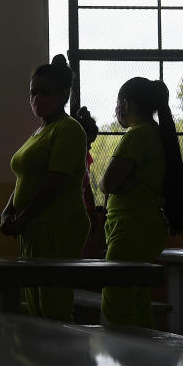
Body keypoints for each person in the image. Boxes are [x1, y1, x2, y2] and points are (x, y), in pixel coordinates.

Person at [1, 54, 89, 321]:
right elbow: (24, 179)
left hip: (57, 226)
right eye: (33, 92)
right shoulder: (39, 132)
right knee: (35, 304)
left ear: (64, 94)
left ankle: (62, 361)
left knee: (54, 304)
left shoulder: (69, 130)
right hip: (33, 228)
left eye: (45, 92)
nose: (36, 98)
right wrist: (8, 212)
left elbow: (56, 181)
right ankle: (37, 362)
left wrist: (22, 217)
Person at [100, 78, 183, 327]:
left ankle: (130, 361)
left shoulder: (137, 135)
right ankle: (143, 364)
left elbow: (107, 183)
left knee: (115, 302)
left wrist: (117, 183)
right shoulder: (156, 133)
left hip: (131, 227)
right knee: (136, 301)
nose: (117, 111)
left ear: (125, 104)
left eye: (118, 105)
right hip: (143, 226)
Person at [74, 106, 105, 258]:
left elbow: (86, 190)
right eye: (88, 143)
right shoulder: (73, 156)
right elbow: (85, 190)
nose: (90, 147)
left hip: (82, 217)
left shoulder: (84, 156)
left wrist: (93, 217)